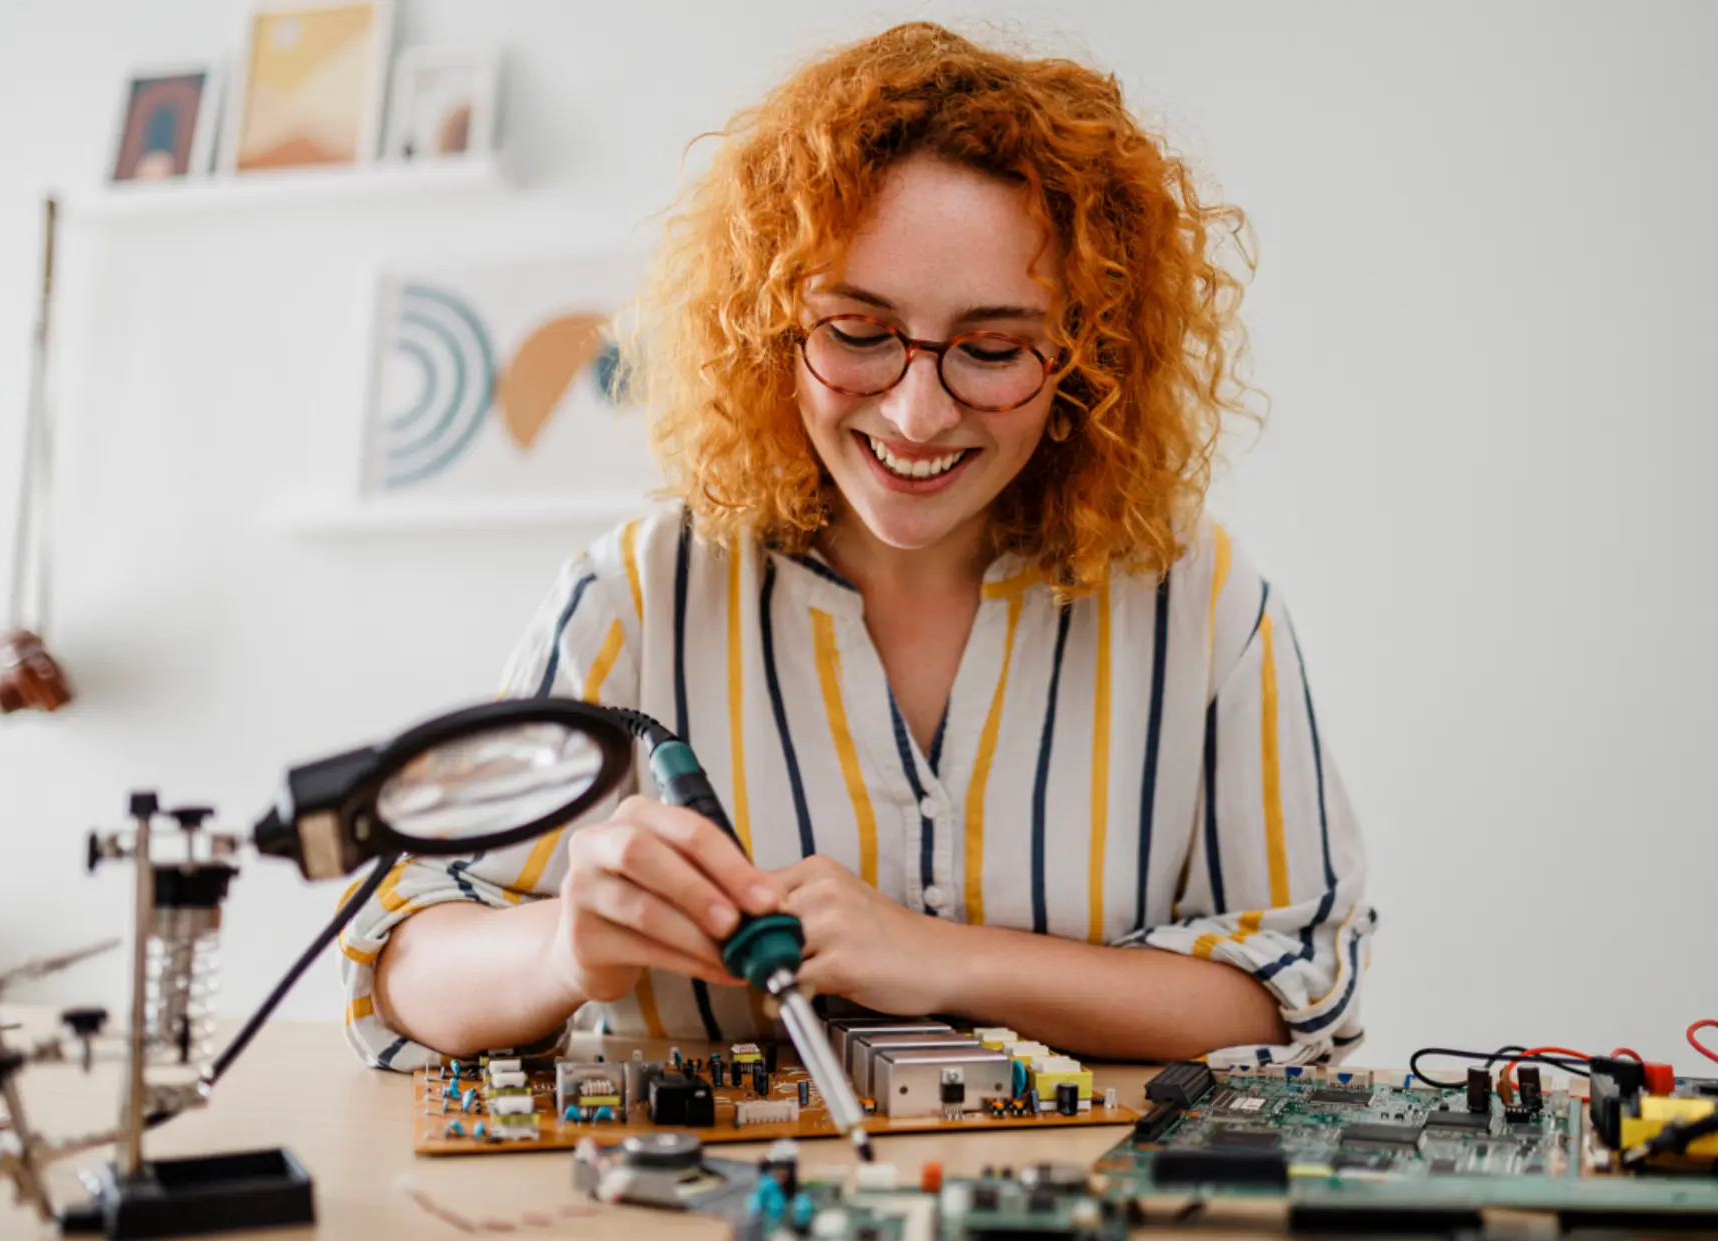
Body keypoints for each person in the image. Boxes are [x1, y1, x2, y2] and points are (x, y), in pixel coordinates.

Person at [342, 21, 1375, 1072]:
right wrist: (564, 946)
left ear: (1084, 361)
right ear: (766, 328)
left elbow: (1289, 989)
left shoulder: (1199, 603)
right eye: (860, 333)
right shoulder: (635, 596)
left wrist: (934, 958)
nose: (918, 414)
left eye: (991, 349)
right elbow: (401, 958)